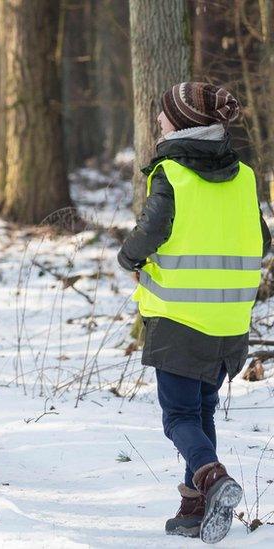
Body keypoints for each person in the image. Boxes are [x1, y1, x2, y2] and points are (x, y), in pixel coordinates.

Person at [118, 82, 271, 543]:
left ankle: (211, 477)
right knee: (202, 412)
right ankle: (194, 506)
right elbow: (263, 240)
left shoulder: (171, 173)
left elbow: (151, 232)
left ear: (180, 123)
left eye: (164, 116)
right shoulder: (243, 175)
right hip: (230, 322)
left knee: (179, 417)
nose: (159, 122)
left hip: (180, 319)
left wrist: (129, 258)